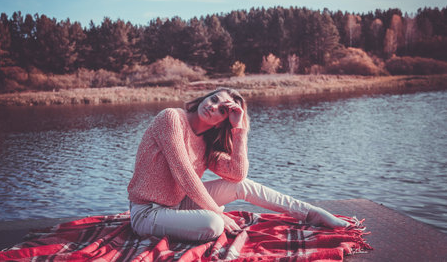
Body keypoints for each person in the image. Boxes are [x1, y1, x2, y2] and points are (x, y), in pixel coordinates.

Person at [127, 87, 349, 242]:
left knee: (243, 186)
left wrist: (240, 130)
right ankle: (212, 217)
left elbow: (238, 174)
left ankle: (310, 213)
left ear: (224, 121)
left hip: (178, 204)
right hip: (147, 213)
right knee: (213, 223)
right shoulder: (171, 118)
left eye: (223, 110)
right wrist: (218, 213)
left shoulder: (206, 144)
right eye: (214, 100)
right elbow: (184, 175)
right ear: (205, 97)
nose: (213, 107)